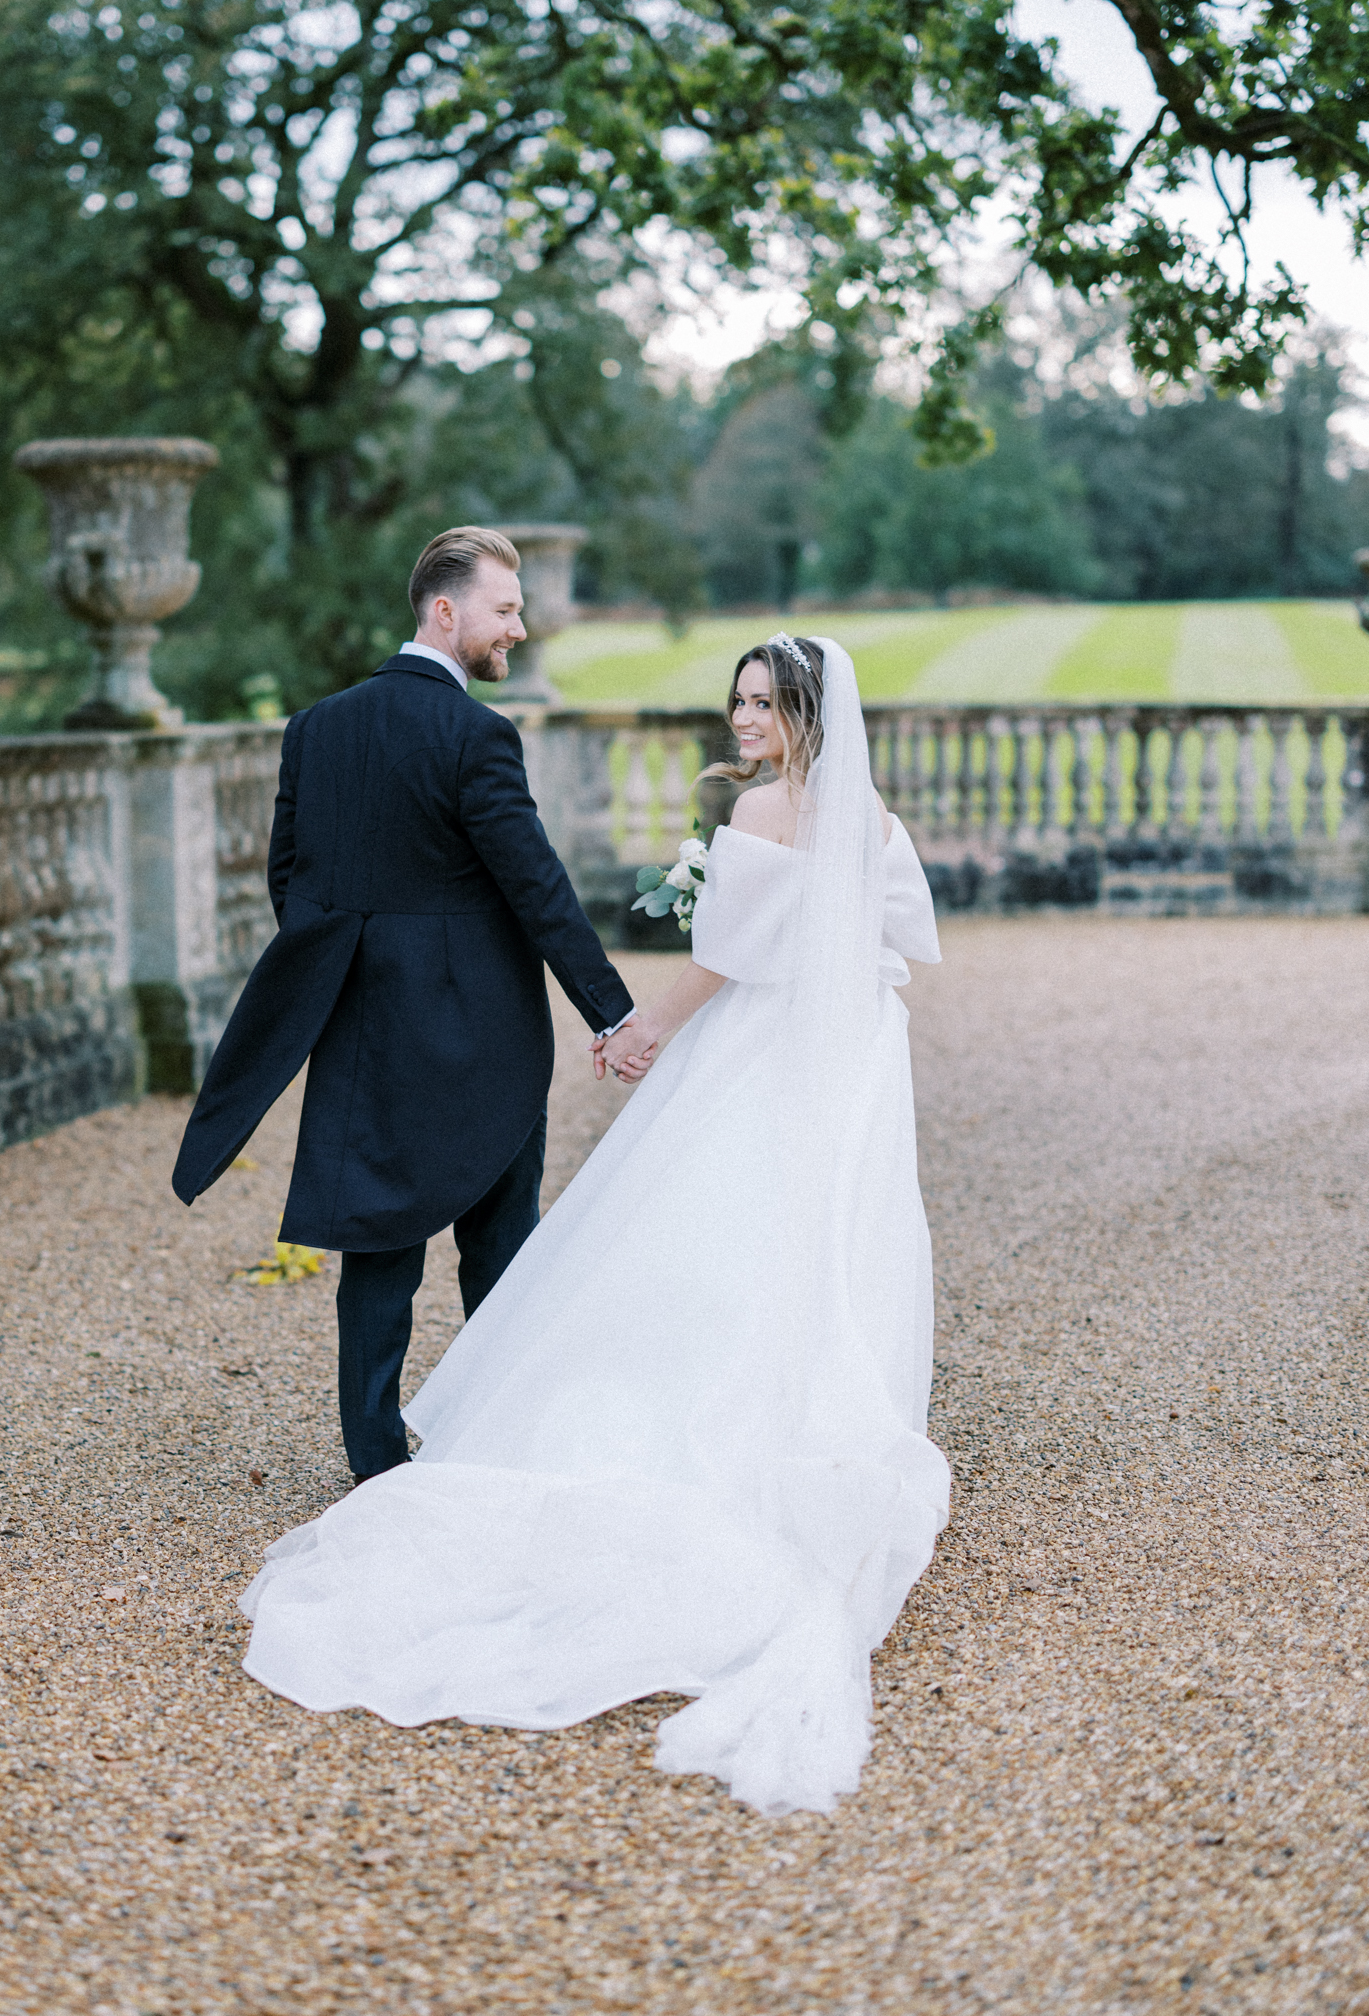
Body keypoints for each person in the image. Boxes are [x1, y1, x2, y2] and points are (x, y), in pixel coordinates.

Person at [232, 632, 951, 1816]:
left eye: (763, 705)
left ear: (806, 712)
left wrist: (641, 1030)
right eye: (736, 702)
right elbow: (898, 944)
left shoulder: (768, 814)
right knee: (818, 1238)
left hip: (764, 1054)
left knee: (708, 1223)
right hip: (855, 1060)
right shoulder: (872, 822)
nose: (743, 722)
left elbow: (721, 958)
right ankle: (805, 1403)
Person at [171, 526, 636, 1482]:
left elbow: (290, 884)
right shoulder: (476, 735)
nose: (518, 627)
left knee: (378, 1243)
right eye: (505, 611)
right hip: (483, 1033)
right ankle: (503, 1436)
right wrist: (612, 1013)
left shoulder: (316, 727)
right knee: (499, 1242)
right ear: (445, 610)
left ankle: (375, 1459)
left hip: (362, 1027)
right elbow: (536, 888)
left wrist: (359, 964)